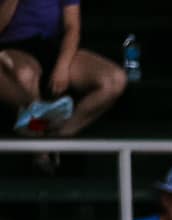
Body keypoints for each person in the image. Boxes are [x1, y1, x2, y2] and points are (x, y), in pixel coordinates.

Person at [0, 0, 126, 141]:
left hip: (54, 47)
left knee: (115, 79)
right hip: (15, 46)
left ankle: (61, 136)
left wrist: (63, 66)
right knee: (25, 74)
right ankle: (41, 153)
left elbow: (72, 27)